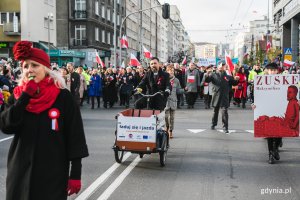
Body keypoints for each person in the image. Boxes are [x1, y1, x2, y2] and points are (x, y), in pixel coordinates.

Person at [0, 41, 89, 200]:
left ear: (46, 69)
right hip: (20, 169)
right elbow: (6, 126)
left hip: (52, 170)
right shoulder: (18, 95)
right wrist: (25, 96)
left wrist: (75, 173)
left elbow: (75, 136)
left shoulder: (63, 96)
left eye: (34, 65)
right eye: (25, 66)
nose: (29, 70)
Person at [251, 63, 283, 164]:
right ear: (267, 71)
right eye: (271, 70)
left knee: (279, 133)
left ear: (277, 71)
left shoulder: (283, 80)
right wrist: (254, 104)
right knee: (269, 133)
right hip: (267, 110)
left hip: (279, 110)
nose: (272, 72)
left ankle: (276, 149)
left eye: (274, 70)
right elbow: (256, 95)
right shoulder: (261, 81)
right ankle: (270, 154)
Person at [205, 62, 240, 133]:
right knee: (215, 111)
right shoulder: (213, 74)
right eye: (220, 65)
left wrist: (237, 79)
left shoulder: (228, 76)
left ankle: (225, 127)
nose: (222, 67)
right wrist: (207, 74)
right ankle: (213, 124)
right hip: (216, 96)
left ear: (225, 67)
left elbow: (234, 83)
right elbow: (207, 80)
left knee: (224, 112)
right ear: (218, 67)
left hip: (224, 97)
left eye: (223, 66)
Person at [164, 65, 182, 138]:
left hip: (173, 101)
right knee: (166, 117)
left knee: (172, 118)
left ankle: (170, 131)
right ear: (167, 71)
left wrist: (185, 90)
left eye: (172, 71)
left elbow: (178, 90)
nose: (171, 72)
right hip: (166, 101)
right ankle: (167, 127)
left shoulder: (176, 80)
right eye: (169, 70)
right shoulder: (165, 79)